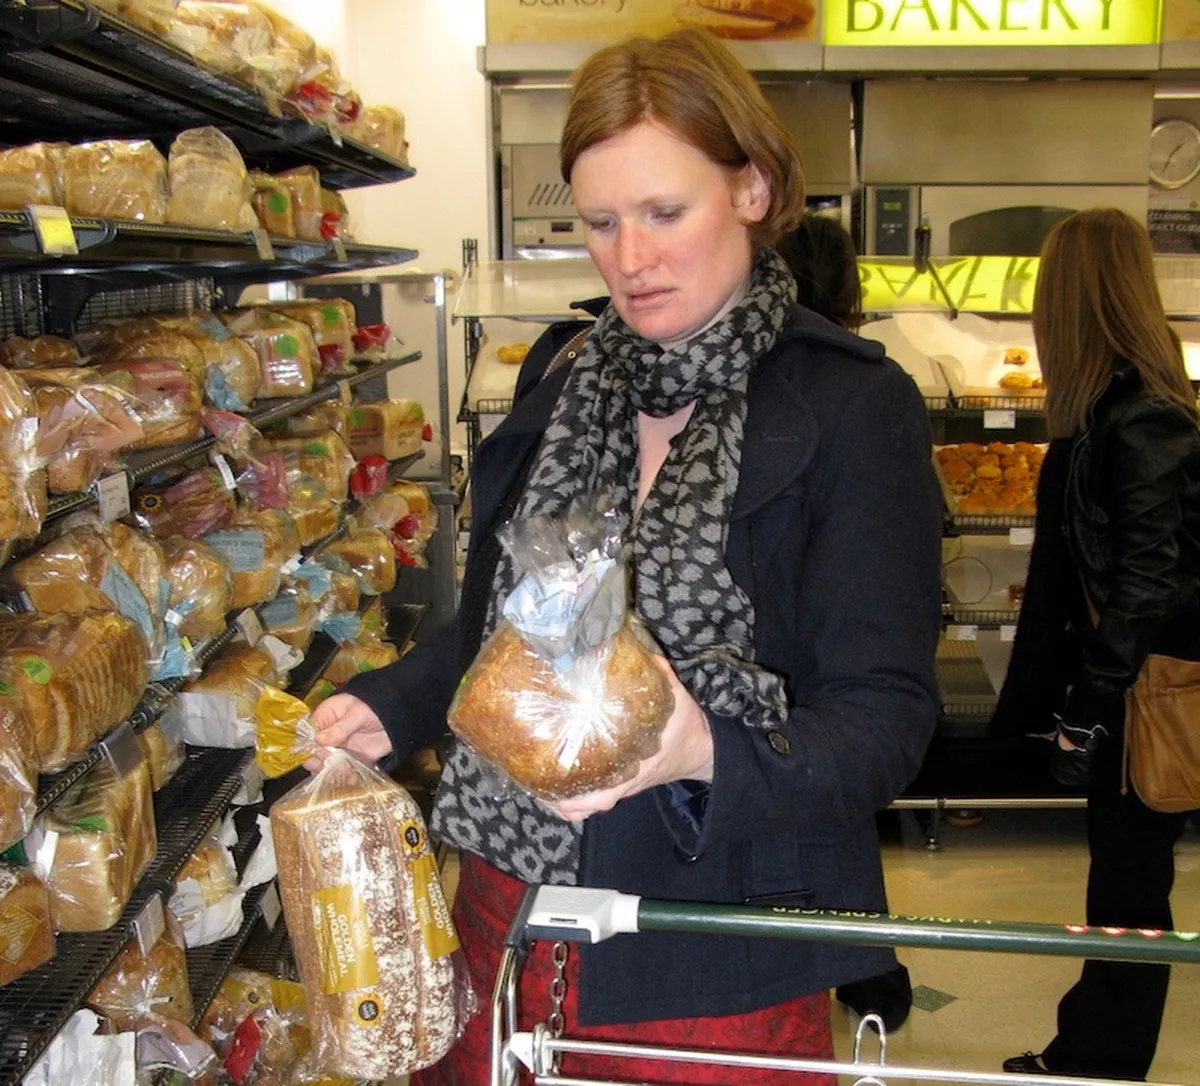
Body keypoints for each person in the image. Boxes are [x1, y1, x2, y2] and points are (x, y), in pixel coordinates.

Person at [310, 27, 943, 1084]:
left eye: (664, 212)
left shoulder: (851, 409)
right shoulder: (564, 383)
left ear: (753, 189)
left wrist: (702, 754)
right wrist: (402, 702)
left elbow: (886, 719)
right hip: (508, 906)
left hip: (719, 947)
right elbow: (503, 635)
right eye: (599, 222)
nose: (629, 260)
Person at [991, 207, 1200, 1080]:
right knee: (1122, 883)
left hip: (1143, 696)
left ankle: (1102, 1060)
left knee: (1128, 888)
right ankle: (1090, 1043)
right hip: (1133, 687)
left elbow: (1150, 584)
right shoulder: (1118, 413)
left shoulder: (1142, 419)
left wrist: (1089, 701)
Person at [775, 213, 914, 1034]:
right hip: (831, 660)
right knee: (837, 808)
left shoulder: (832, 386)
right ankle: (870, 970)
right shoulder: (858, 382)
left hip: (787, 667)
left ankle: (866, 965)